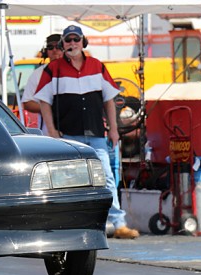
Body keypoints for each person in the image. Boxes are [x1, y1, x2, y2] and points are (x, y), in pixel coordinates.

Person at [35, 25, 139, 239]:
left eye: (76, 39)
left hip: (96, 134)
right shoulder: (53, 69)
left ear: (83, 42)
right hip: (69, 135)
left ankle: (118, 223)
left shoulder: (97, 66)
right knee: (70, 179)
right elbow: (44, 102)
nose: (72, 44)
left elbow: (109, 100)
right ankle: (74, 222)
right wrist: (52, 131)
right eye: (68, 40)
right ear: (63, 45)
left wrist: (114, 129)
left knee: (107, 178)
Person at [21, 33, 64, 134]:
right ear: (46, 51)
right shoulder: (38, 74)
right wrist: (50, 109)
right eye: (50, 47)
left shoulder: (75, 71)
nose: (54, 50)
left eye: (58, 46)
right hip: (49, 133)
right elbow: (27, 103)